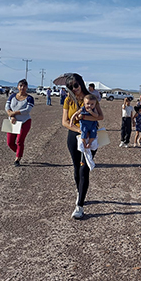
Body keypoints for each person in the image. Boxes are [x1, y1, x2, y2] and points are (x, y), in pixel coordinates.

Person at [62, 73, 104, 219]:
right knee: (76, 168)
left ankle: (79, 205)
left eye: (75, 85)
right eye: (70, 87)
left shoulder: (91, 98)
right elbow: (65, 121)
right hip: (74, 137)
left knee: (84, 168)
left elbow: (99, 116)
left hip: (90, 138)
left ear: (81, 83)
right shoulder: (68, 100)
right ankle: (80, 192)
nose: (74, 89)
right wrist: (79, 130)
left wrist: (84, 118)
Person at [5, 79, 34, 167]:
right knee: (9, 142)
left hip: (24, 122)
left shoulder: (30, 98)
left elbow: (27, 110)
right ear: (18, 87)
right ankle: (19, 151)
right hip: (12, 121)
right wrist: (11, 115)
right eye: (21, 85)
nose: (22, 87)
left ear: (27, 87)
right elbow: (7, 106)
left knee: (20, 141)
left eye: (24, 86)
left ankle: (18, 158)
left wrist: (14, 113)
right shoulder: (12, 96)